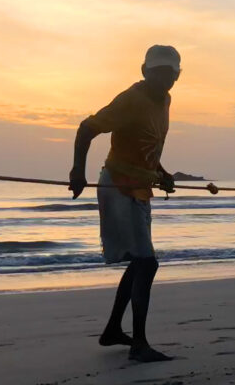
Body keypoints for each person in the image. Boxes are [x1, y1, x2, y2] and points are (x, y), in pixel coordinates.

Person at [68, 45, 181, 363]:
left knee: (140, 261)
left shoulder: (165, 101)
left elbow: (148, 143)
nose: (164, 79)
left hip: (141, 188)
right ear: (145, 71)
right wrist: (79, 170)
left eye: (170, 73)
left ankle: (114, 330)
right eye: (158, 72)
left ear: (176, 76)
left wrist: (161, 171)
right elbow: (87, 128)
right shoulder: (131, 98)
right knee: (147, 263)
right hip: (118, 185)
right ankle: (139, 344)